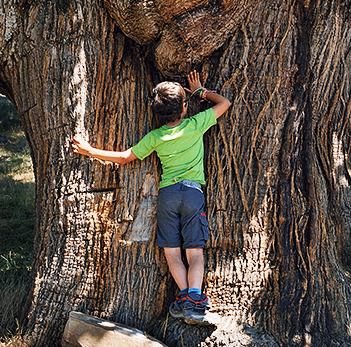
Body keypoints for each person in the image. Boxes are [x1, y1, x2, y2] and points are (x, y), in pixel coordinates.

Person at [71, 70, 231, 324]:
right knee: (195, 252)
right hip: (192, 194)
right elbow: (225, 103)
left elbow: (124, 158)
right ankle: (195, 301)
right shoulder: (195, 124)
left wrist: (89, 150)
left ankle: (184, 297)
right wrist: (200, 90)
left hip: (167, 195)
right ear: (184, 108)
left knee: (171, 252)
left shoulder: (156, 137)